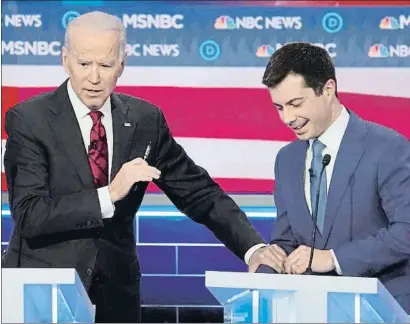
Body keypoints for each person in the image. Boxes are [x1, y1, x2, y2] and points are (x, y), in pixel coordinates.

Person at [1, 11, 276, 323]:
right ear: (65, 60)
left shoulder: (146, 120)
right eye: (83, 64)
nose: (94, 77)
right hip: (44, 295)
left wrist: (253, 248)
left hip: (116, 296)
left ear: (122, 63)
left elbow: (199, 193)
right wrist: (110, 194)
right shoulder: (29, 120)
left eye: (105, 65)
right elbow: (30, 215)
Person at [253, 42, 410, 314]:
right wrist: (265, 270)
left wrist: (333, 259)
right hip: (311, 310)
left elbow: (406, 232)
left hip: (382, 309)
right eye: (279, 107)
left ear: (328, 90)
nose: (288, 118)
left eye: (295, 104)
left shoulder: (387, 147)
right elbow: (287, 239)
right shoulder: (286, 160)